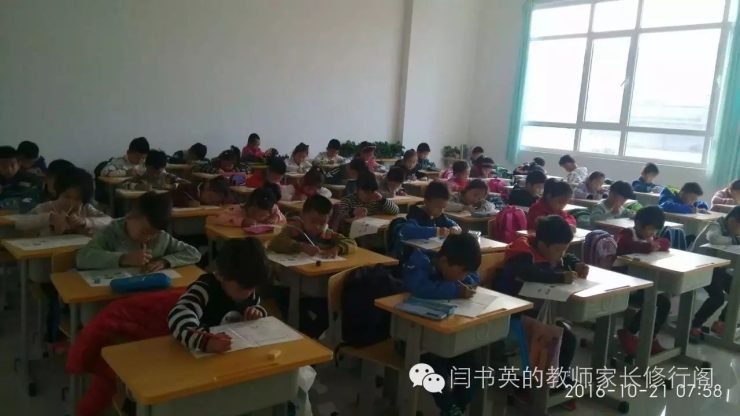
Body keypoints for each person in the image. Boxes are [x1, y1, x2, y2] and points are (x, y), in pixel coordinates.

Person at [495, 216, 582, 385]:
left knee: (568, 339)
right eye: (558, 250)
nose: (561, 254)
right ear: (542, 245)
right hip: (515, 313)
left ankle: (557, 379)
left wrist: (576, 264)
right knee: (554, 339)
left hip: (538, 311)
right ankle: (538, 385)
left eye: (565, 249)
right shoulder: (522, 254)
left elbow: (566, 257)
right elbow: (530, 273)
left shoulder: (550, 250)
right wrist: (560, 277)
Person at [402, 233, 480, 416]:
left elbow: (473, 277)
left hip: (444, 337)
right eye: (462, 272)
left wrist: (467, 282)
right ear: (444, 262)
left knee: (472, 366)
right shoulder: (419, 261)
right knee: (435, 371)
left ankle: (457, 407)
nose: (464, 276)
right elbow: (419, 288)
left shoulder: (453, 267)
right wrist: (455, 290)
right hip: (412, 338)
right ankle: (449, 407)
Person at [168, 238, 270, 353]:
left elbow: (255, 306)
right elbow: (177, 317)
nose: (248, 294)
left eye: (252, 288)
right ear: (220, 275)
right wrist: (205, 341)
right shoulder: (204, 289)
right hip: (200, 356)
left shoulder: (247, 284)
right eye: (242, 288)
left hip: (236, 352)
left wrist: (257, 312)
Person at [76, 192, 201, 270]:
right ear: (129, 217)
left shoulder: (162, 237)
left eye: (153, 234)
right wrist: (123, 259)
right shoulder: (111, 232)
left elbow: (193, 253)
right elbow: (82, 258)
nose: (148, 238)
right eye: (144, 231)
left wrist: (165, 262)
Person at [615, 206, 671, 355]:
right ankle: (629, 334)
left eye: (656, 230)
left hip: (641, 284)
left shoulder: (650, 238)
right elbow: (628, 245)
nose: (653, 233)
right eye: (650, 229)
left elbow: (666, 242)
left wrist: (655, 244)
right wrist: (648, 246)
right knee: (652, 301)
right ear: (638, 224)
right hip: (623, 284)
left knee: (664, 302)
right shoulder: (627, 234)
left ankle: (650, 338)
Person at [689, 206, 740, 340]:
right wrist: (734, 240)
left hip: (716, 268)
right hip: (700, 267)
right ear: (733, 221)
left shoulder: (730, 230)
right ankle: (695, 324)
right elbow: (714, 239)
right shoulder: (716, 225)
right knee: (718, 297)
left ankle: (722, 322)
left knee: (738, 290)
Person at [15, 167, 111, 235]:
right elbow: (20, 223)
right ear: (58, 192)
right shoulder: (46, 207)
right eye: (67, 196)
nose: (71, 202)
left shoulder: (86, 208)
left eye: (77, 199)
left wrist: (86, 222)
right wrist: (49, 218)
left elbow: (111, 222)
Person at [268, 194, 357, 257]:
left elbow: (351, 243)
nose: (317, 227)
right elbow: (275, 243)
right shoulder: (295, 229)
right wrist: (301, 247)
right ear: (302, 215)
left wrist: (337, 249)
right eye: (313, 222)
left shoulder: (327, 234)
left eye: (322, 223)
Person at [207, 183, 286, 227]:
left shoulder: (272, 210)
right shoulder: (237, 210)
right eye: (254, 212)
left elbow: (283, 218)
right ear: (248, 204)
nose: (256, 217)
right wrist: (242, 221)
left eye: (262, 215)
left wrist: (274, 218)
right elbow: (217, 218)